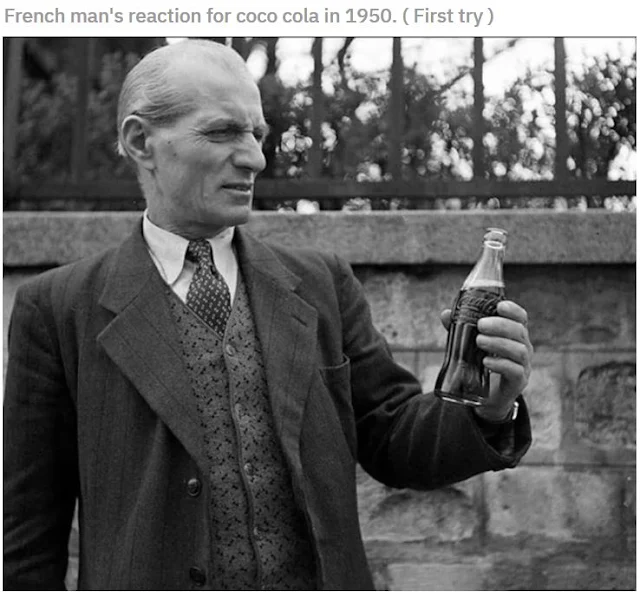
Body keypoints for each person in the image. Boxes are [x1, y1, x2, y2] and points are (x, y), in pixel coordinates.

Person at [3, 39, 533, 591]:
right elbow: (26, 539)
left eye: (256, 134)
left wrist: (489, 410)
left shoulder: (321, 284)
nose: (255, 158)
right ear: (141, 141)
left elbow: (394, 439)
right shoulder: (59, 310)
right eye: (222, 132)